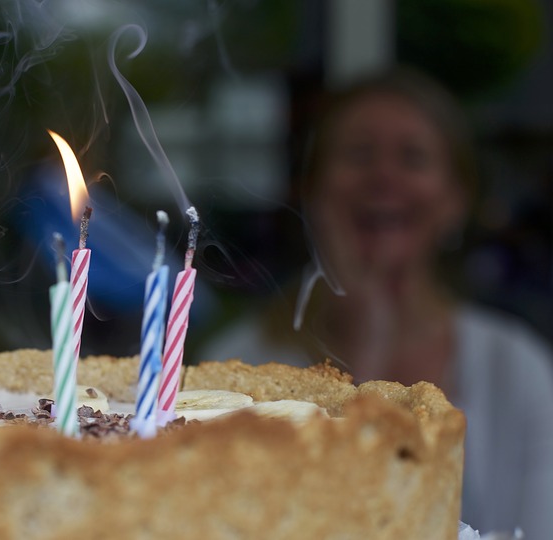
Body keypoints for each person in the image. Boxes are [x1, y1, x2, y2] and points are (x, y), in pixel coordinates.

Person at [200, 67, 553, 535]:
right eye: (359, 155)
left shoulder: (515, 368)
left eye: (413, 158)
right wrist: (365, 347)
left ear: (455, 200)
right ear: (314, 191)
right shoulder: (239, 364)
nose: (383, 177)